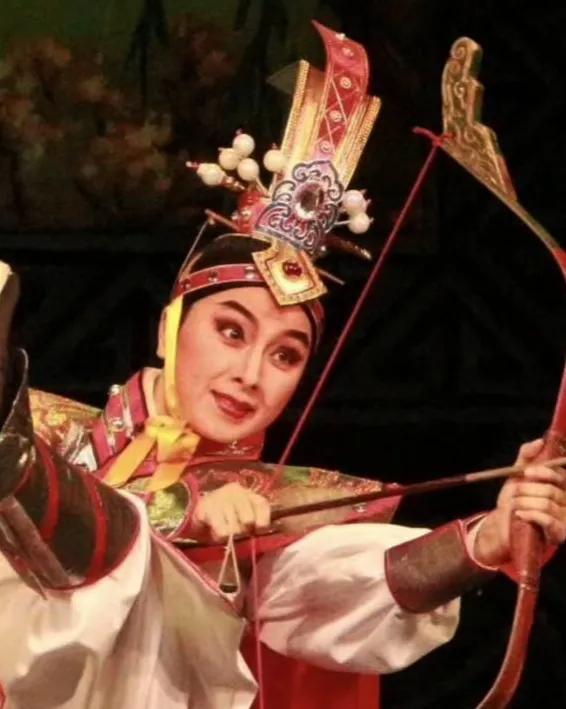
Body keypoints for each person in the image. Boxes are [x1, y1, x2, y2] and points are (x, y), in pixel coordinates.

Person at [1, 22, 565, 709]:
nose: (251, 373)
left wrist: (485, 539)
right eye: (230, 330)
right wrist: (183, 509)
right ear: (170, 326)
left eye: (285, 354)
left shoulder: (270, 511)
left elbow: (344, 578)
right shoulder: (47, 431)